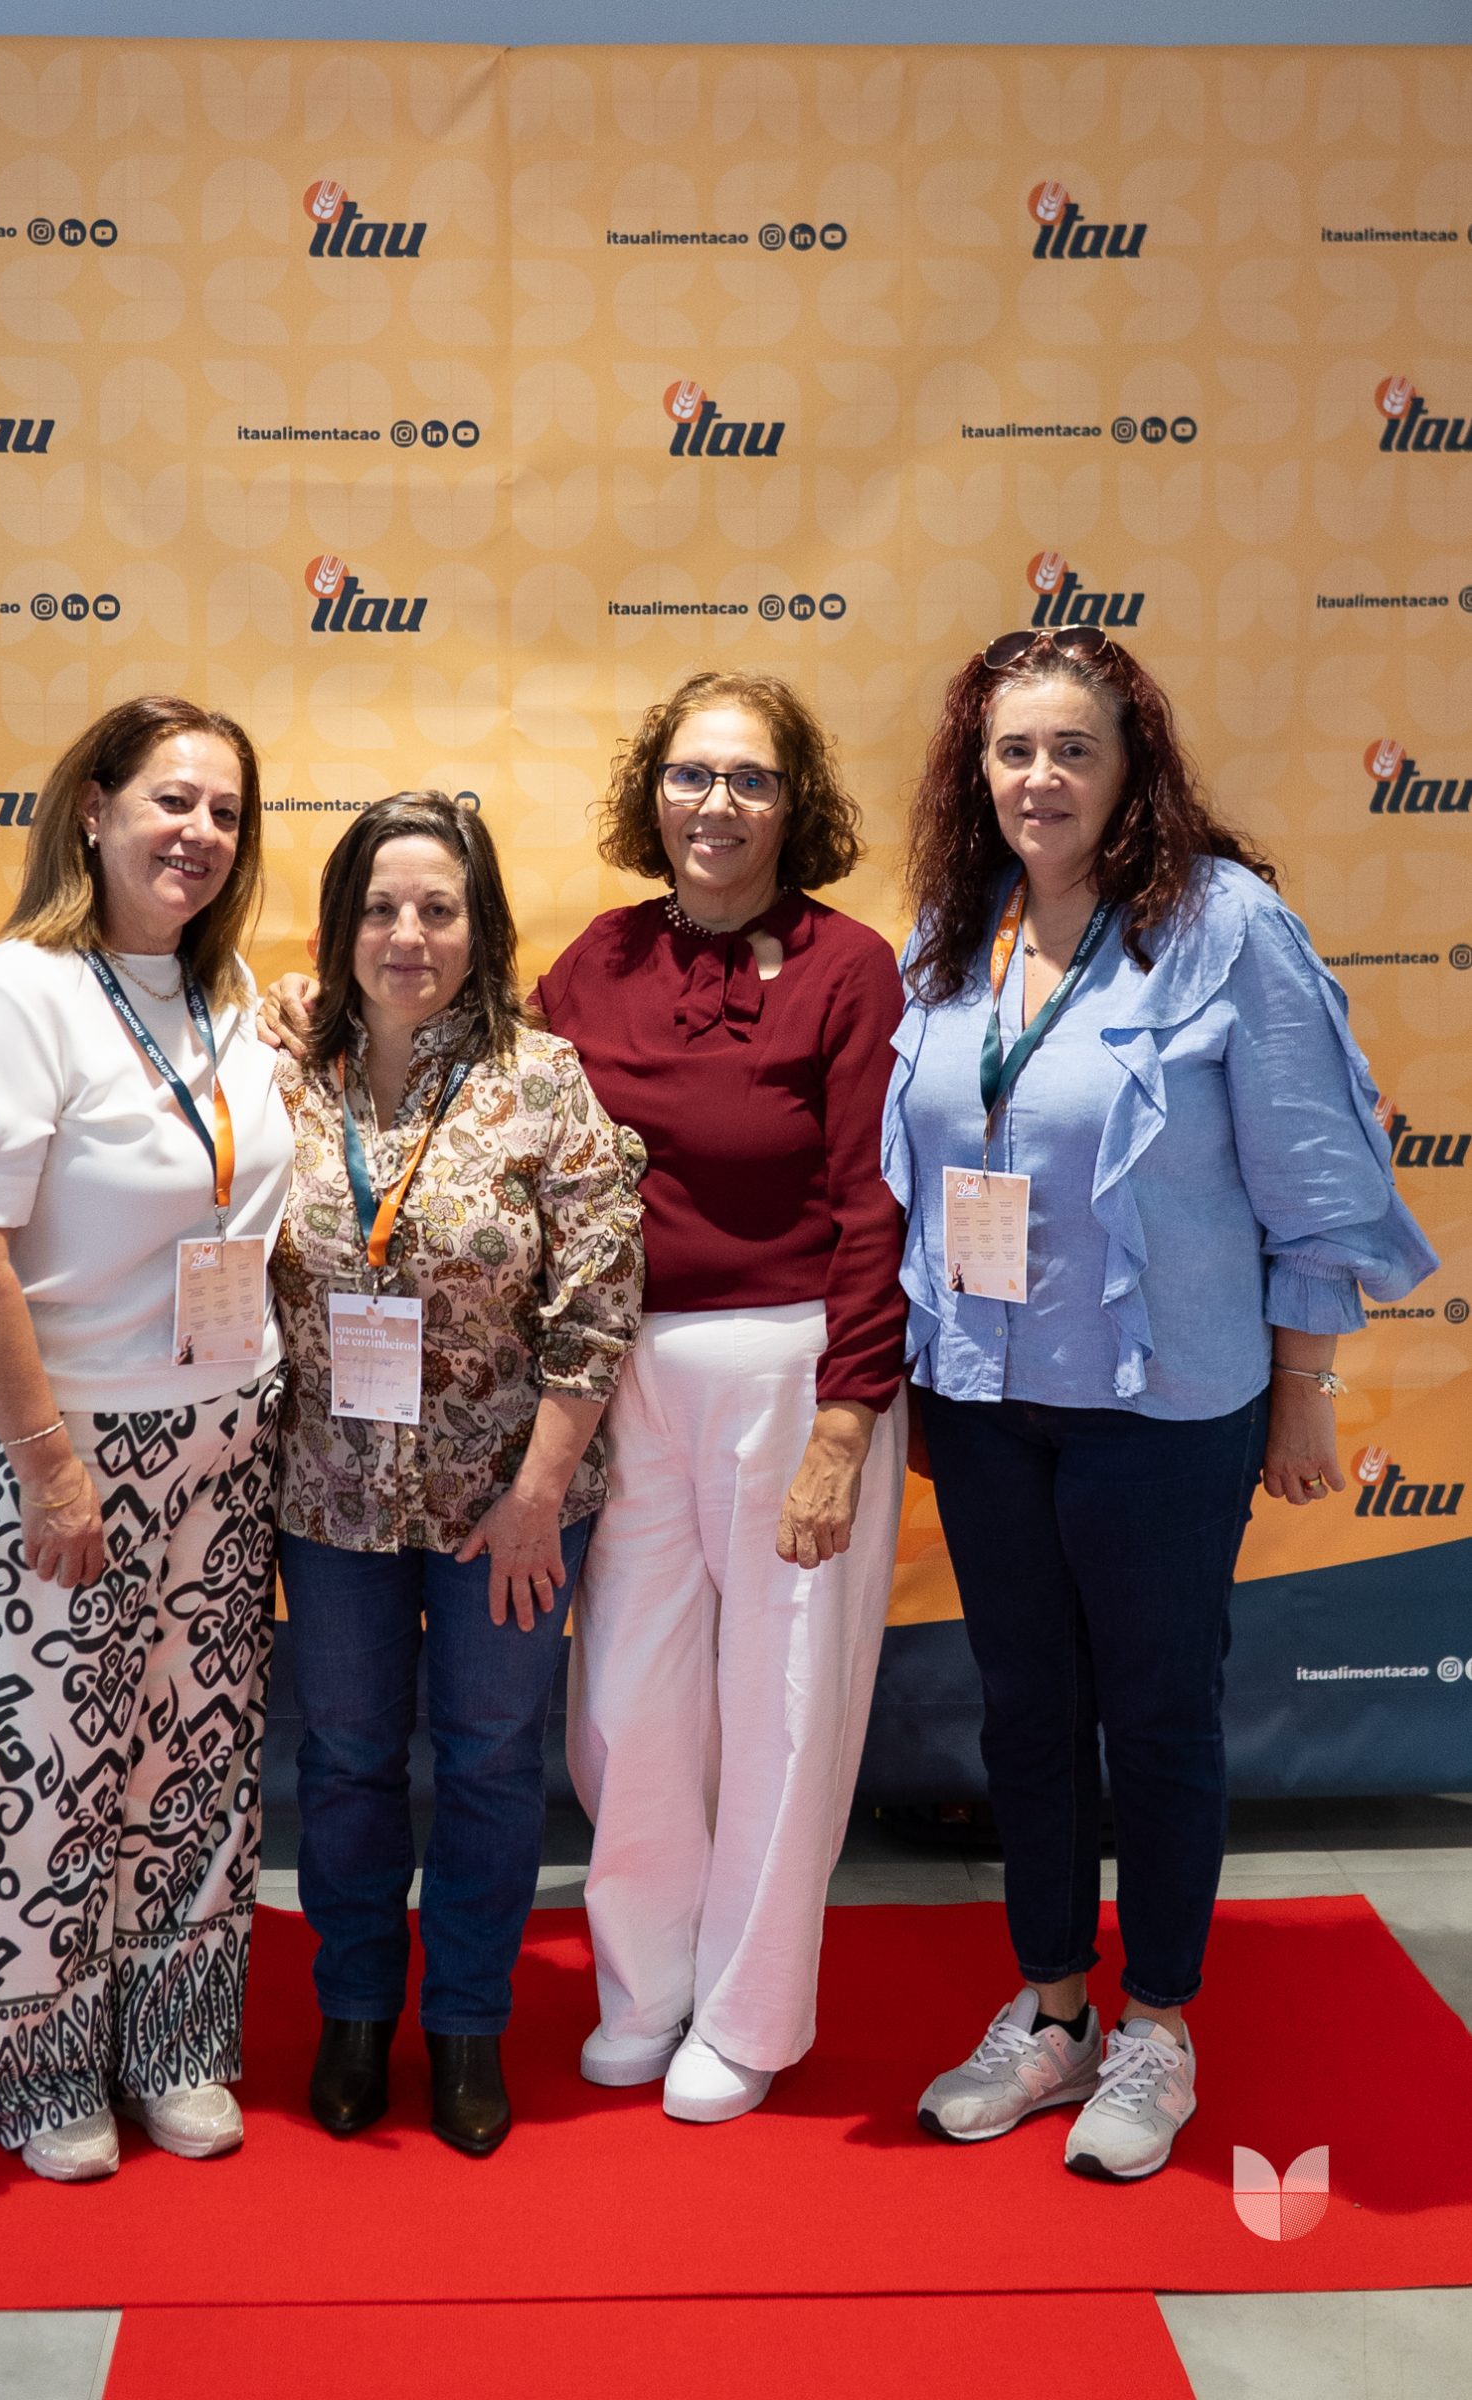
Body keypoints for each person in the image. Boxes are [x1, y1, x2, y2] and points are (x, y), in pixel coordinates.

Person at [885, 626, 1437, 2182]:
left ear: (1134, 768)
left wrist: (1305, 1391)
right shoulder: (957, 925)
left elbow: (1313, 1183)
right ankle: (1053, 2010)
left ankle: (1161, 2025)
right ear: (976, 769)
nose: (1040, 778)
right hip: (988, 1401)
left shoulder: (1224, 925)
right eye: (1013, 750)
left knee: (1160, 1714)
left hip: (1166, 1406)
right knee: (1025, 1710)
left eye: (1075, 749)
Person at [0, 696, 294, 2183]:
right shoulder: (19, 995)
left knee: (189, 1759)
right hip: (52, 1450)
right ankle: (44, 2061)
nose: (199, 833)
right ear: (92, 809)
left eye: (225, 812)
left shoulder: (227, 991)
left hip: (218, 1444)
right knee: (41, 1768)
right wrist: (53, 1469)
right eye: (170, 801)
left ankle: (175, 2040)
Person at [539, 671, 908, 2124]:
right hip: (623, 1374)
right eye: (692, 774)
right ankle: (645, 1988)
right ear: (655, 792)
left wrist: (846, 1417)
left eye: (751, 778)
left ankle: (750, 2016)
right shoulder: (601, 956)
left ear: (793, 804)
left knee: (785, 1706)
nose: (717, 804)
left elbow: (875, 1203)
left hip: (793, 1371)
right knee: (628, 1703)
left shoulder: (848, 967)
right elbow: (488, 1096)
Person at [269, 792, 644, 2158]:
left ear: (480, 928)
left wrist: (539, 1496)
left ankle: (471, 2020)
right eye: (380, 908)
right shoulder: (282, 1071)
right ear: (339, 926)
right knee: (349, 1759)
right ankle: (357, 2010)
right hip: (330, 1499)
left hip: (510, 1505)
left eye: (439, 908)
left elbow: (599, 1299)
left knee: (489, 1762)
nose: (408, 935)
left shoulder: (540, 1080)